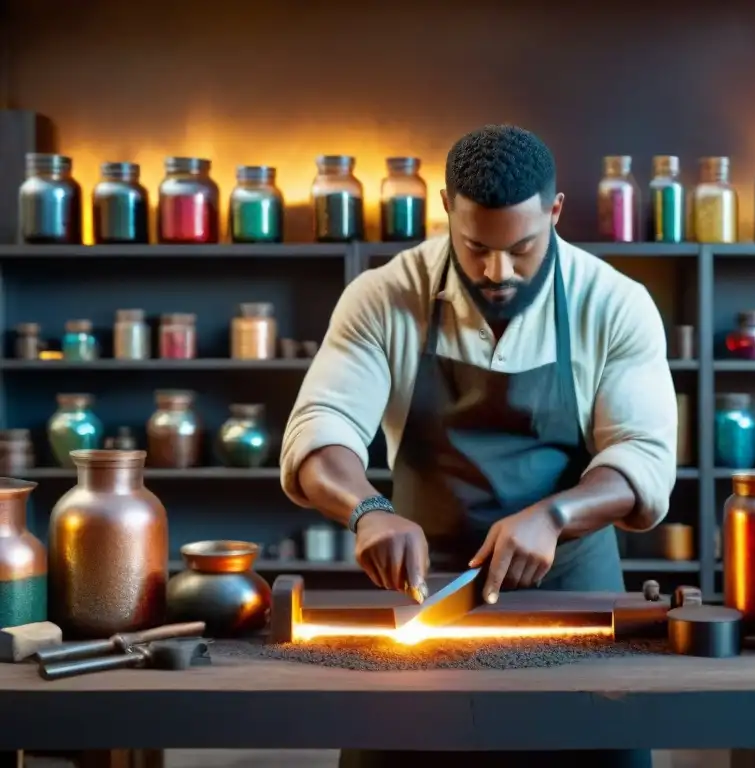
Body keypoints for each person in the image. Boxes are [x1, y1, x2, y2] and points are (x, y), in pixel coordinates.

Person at [281, 124, 677, 768]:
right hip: (423, 596)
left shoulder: (615, 304)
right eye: (475, 248)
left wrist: (555, 516)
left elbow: (643, 460)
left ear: (555, 211)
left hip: (574, 601)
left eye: (521, 248)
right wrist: (366, 509)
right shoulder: (383, 296)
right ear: (445, 208)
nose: (497, 272)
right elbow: (320, 427)